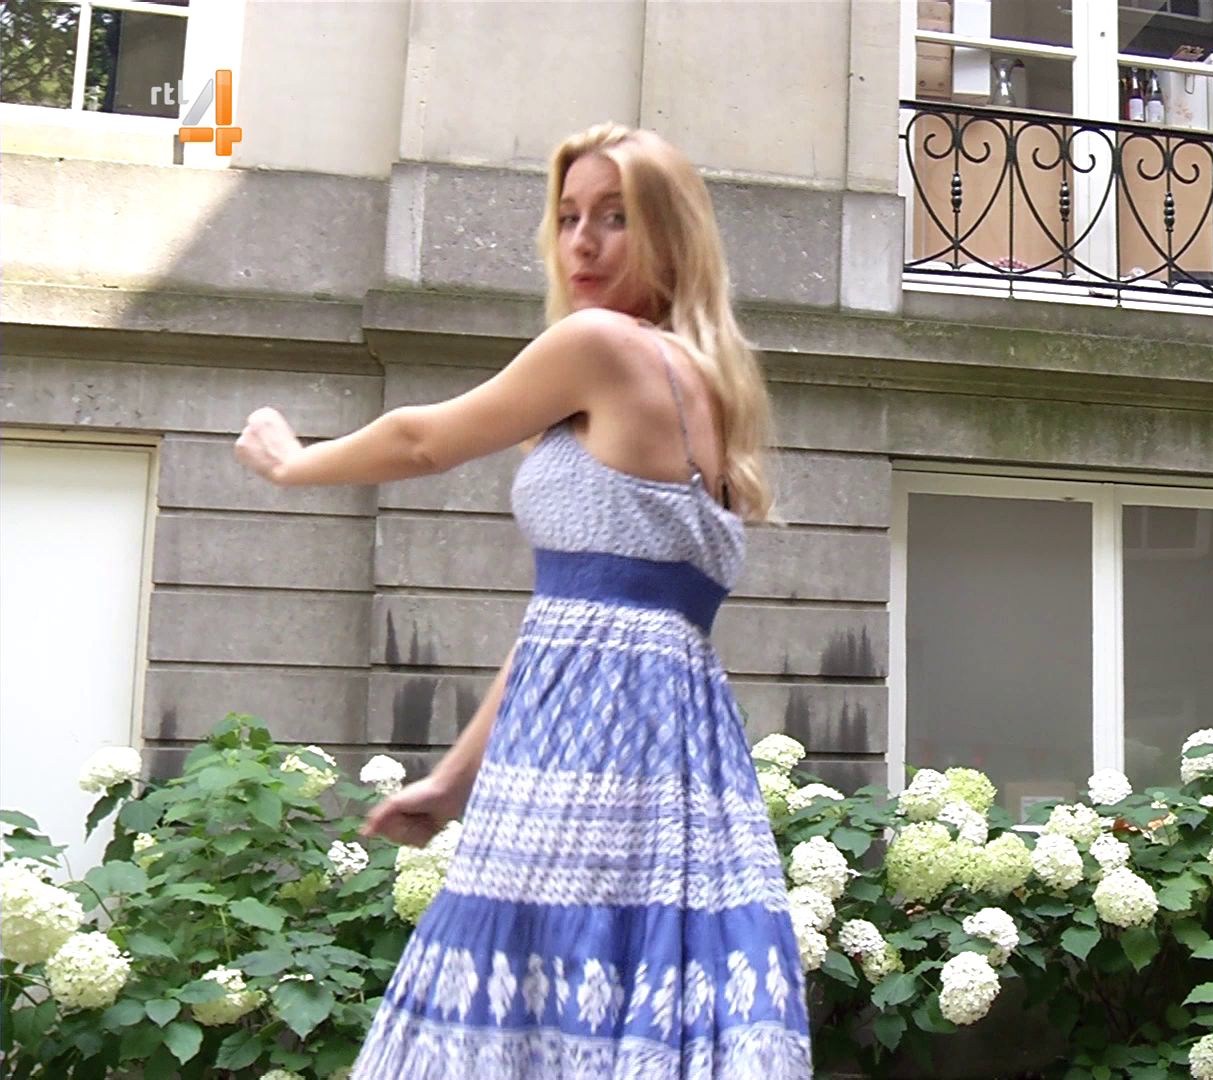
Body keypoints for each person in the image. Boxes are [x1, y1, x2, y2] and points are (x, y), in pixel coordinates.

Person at [234, 123, 813, 1077]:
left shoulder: (600, 345)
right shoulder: (708, 386)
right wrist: (453, 782)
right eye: (569, 216)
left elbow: (423, 440)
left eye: (616, 218)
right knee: (630, 1003)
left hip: (592, 747)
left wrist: (297, 464)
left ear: (673, 236)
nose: (582, 242)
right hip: (667, 751)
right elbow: (568, 620)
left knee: (524, 1008)